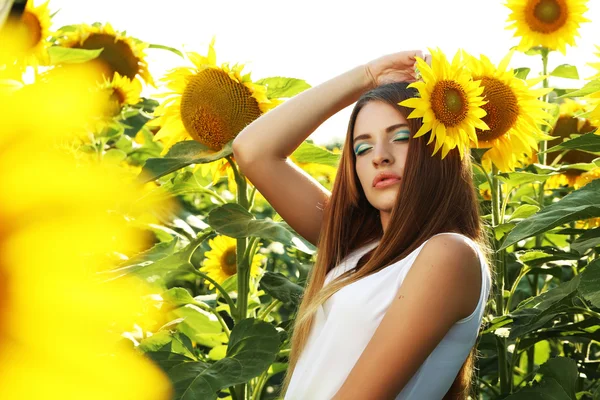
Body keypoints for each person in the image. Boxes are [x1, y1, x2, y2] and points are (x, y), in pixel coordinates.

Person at [232, 50, 494, 400]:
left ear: (438, 148)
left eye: (400, 137)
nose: (379, 156)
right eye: (361, 147)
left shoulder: (448, 254)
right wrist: (366, 76)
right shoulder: (358, 248)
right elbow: (252, 149)